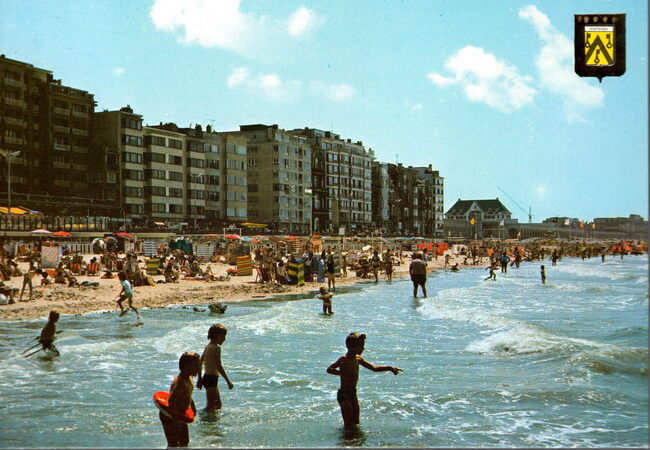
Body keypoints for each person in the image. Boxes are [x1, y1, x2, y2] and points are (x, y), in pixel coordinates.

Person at [326, 333, 402, 430]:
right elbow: (329, 369)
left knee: (356, 423)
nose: (363, 348)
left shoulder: (358, 359)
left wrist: (389, 368)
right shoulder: (343, 359)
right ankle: (346, 438)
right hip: (343, 394)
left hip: (353, 394)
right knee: (348, 425)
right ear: (352, 347)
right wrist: (342, 373)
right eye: (361, 346)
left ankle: (354, 439)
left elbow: (374, 368)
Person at [159, 352, 200, 447]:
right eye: (196, 366)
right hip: (169, 415)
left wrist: (192, 406)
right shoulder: (180, 383)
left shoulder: (189, 377)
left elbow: (188, 394)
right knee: (173, 444)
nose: (198, 368)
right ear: (186, 367)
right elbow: (171, 402)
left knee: (184, 441)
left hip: (179, 414)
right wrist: (176, 421)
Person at [197, 324, 234, 412]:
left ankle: (212, 420)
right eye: (223, 336)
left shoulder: (208, 346)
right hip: (211, 379)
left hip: (207, 378)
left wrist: (200, 379)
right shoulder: (216, 348)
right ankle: (200, 417)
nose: (224, 339)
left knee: (217, 405)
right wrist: (228, 381)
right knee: (210, 406)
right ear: (217, 336)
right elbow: (219, 366)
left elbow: (200, 363)